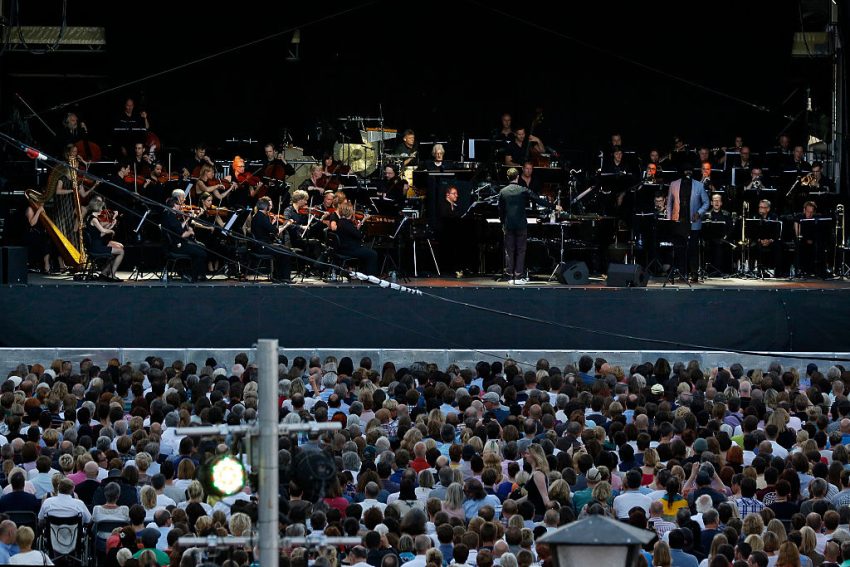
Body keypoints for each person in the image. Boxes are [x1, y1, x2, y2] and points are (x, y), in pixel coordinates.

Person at [498, 168, 553, 284]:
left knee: (509, 250)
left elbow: (501, 211)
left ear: (508, 178)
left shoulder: (503, 192)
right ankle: (518, 276)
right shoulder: (523, 190)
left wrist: (503, 223)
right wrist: (553, 206)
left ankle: (509, 275)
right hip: (521, 224)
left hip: (508, 224)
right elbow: (538, 200)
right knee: (521, 250)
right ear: (518, 177)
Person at [666, 163, 709, 282]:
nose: (688, 173)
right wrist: (670, 220)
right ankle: (681, 272)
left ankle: (693, 273)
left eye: (690, 171)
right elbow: (669, 203)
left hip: (693, 222)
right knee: (680, 248)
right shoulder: (674, 184)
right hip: (678, 221)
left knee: (693, 249)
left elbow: (706, 202)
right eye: (686, 171)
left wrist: (699, 213)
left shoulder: (699, 185)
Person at [162, 196, 207, 282]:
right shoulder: (171, 217)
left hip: (174, 244)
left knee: (199, 249)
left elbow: (177, 228)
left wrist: (187, 220)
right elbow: (182, 234)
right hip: (176, 246)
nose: (180, 206)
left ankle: (191, 274)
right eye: (179, 204)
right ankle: (193, 277)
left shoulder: (168, 214)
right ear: (174, 205)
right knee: (202, 253)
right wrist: (190, 232)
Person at [250, 197, 292, 282]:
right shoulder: (262, 217)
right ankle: (284, 277)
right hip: (262, 246)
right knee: (286, 252)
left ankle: (278, 276)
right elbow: (275, 231)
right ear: (266, 207)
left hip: (260, 245)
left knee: (283, 250)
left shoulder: (257, 216)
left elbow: (267, 229)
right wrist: (285, 225)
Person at [83, 196, 125, 281]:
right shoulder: (94, 219)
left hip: (96, 243)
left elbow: (100, 234)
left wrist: (112, 225)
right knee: (121, 252)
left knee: (119, 248)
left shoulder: (90, 217)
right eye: (101, 208)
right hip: (96, 247)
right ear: (97, 208)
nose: (102, 210)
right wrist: (111, 231)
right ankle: (112, 275)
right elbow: (103, 231)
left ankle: (105, 272)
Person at [333, 202, 378, 276]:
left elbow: (353, 231)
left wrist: (362, 221)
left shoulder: (340, 222)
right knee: (373, 254)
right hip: (349, 250)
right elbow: (359, 235)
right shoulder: (347, 224)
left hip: (342, 248)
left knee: (367, 250)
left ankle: (364, 275)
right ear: (350, 212)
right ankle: (371, 277)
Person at [748, 199, 782, 276]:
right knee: (753, 246)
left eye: (763, 207)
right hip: (758, 240)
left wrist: (770, 240)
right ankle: (755, 270)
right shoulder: (754, 217)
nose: (760, 208)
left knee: (778, 246)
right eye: (760, 207)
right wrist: (759, 240)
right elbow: (751, 231)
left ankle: (777, 272)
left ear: (768, 209)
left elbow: (777, 231)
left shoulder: (774, 217)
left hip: (771, 241)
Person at [438, 185, 463, 278]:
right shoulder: (443, 205)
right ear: (448, 195)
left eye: (457, 193)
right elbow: (445, 217)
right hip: (444, 233)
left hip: (453, 233)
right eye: (454, 193)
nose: (457, 195)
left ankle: (455, 269)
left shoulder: (456, 206)